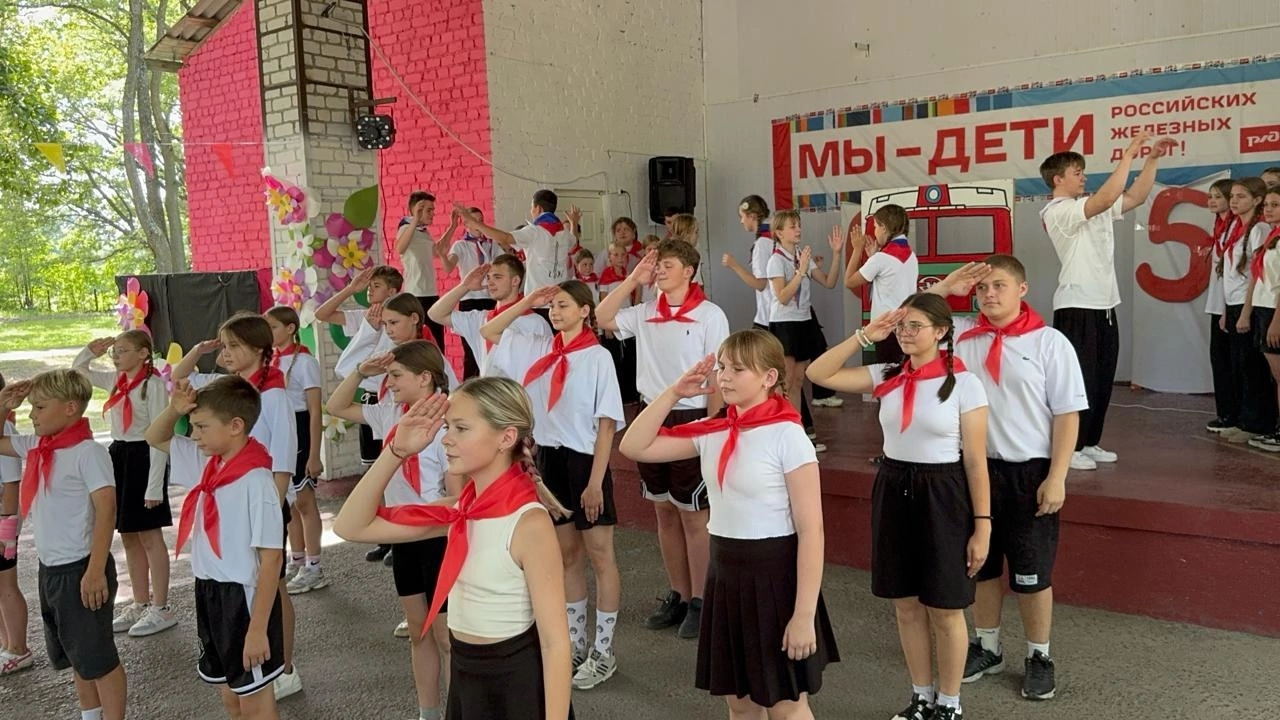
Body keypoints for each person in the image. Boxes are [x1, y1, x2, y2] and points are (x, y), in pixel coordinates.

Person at [620, 330, 839, 719]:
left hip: (775, 577)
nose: (724, 376)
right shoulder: (714, 429)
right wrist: (673, 393)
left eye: (738, 369)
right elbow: (634, 446)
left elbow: (812, 531)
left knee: (786, 703)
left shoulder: (789, 436)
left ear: (769, 377)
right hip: (725, 573)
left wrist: (804, 614)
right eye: (721, 367)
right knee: (739, 703)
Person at [332, 379, 574, 720]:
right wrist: (396, 451)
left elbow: (555, 643)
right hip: (466, 674)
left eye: (461, 428)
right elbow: (350, 526)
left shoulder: (528, 523)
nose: (445, 438)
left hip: (516, 683)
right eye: (447, 427)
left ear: (506, 438)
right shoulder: (459, 511)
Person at [807, 294, 991, 720]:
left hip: (943, 491)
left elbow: (975, 460)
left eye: (915, 326)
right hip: (893, 486)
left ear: (941, 332)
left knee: (945, 606)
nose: (905, 334)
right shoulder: (887, 374)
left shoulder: (965, 384)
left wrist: (982, 524)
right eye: (902, 326)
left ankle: (950, 703)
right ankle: (921, 696)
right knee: (906, 604)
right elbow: (819, 373)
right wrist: (865, 336)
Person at [929, 256, 1087, 701]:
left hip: (1029, 472)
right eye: (982, 288)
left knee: (1032, 572)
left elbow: (1067, 415)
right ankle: (989, 646)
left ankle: (1039, 655)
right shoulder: (963, 336)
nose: (989, 294)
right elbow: (911, 319)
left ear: (1023, 289)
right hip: (975, 470)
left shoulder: (1049, 342)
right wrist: (945, 287)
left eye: (999, 285)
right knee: (980, 565)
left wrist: (1057, 477)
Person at [482, 280, 626, 690]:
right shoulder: (540, 349)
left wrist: (595, 482)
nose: (555, 312)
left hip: (585, 461)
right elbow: (492, 330)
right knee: (567, 556)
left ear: (585, 311)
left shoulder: (597, 357)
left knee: (600, 554)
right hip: (549, 460)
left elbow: (606, 425)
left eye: (564, 305)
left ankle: (603, 650)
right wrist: (529, 300)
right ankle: (577, 643)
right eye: (552, 306)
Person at [597, 240, 730, 640]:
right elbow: (603, 317)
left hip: (692, 415)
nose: (658, 271)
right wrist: (632, 280)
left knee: (693, 514)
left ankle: (703, 600)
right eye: (657, 265)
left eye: (666, 265)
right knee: (664, 511)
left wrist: (713, 425)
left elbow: (717, 375)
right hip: (651, 413)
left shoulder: (710, 314)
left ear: (689, 271)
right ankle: (679, 594)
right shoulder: (644, 311)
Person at [172, 313, 304, 701]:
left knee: (272, 584)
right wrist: (200, 350)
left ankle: (283, 666)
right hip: (233, 501)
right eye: (224, 345)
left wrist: (270, 509)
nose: (226, 353)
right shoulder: (223, 388)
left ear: (260, 349)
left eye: (234, 346)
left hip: (264, 500)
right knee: (256, 582)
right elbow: (176, 379)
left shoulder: (274, 394)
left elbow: (283, 460)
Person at [327, 341, 461, 720]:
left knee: (446, 637)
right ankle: (427, 712)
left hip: (437, 538)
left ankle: (458, 710)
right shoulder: (390, 413)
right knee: (419, 631)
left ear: (425, 377)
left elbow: (456, 496)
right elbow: (335, 406)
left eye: (397, 375)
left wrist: (428, 521)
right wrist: (360, 372)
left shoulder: (449, 422)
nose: (390, 382)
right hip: (402, 537)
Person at [144, 376, 285, 719]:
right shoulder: (207, 462)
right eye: (192, 426)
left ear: (236, 426)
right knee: (231, 697)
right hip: (209, 590)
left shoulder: (257, 481)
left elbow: (271, 559)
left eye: (202, 427)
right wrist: (175, 409)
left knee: (254, 701)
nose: (194, 436)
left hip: (244, 598)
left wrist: (257, 629)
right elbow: (154, 436)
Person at [1037, 132, 1176, 468]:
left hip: (1104, 305)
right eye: (1077, 173)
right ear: (1058, 180)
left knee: (1102, 378)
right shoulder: (1058, 211)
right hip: (1077, 305)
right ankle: (1069, 448)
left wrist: (1151, 159)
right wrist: (1128, 154)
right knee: (1078, 381)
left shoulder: (1090, 206)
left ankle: (1089, 442)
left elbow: (1135, 197)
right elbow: (1105, 198)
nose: (1083, 177)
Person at [0, 370, 127, 720]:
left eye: (40, 407)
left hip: (82, 568)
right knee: (76, 655)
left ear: (70, 407)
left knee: (99, 659)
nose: (31, 414)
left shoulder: (88, 452)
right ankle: (90, 715)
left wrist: (95, 571)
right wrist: (3, 406)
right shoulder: (38, 445)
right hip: (51, 569)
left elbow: (107, 511)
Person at [73, 330, 177, 637]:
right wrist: (88, 352)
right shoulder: (116, 381)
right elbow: (79, 373)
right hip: (119, 455)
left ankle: (161, 606)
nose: (116, 356)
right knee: (129, 535)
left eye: (122, 351)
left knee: (149, 535)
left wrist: (154, 485)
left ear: (143, 353)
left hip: (145, 455)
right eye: (114, 352)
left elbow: (160, 434)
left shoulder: (153, 385)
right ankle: (140, 601)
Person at [764, 210, 842, 452]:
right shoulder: (776, 260)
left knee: (798, 380)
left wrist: (836, 254)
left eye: (798, 225)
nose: (798, 229)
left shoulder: (801, 255)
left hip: (804, 321)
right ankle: (783, 433)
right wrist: (800, 272)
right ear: (779, 233)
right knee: (785, 381)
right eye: (792, 226)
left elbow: (829, 282)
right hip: (785, 323)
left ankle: (798, 433)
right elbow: (783, 297)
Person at [263, 307, 327, 594]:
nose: (269, 333)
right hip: (279, 431)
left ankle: (314, 566)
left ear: (290, 328)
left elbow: (315, 411)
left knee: (304, 501)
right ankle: (297, 559)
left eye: (273, 327)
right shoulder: (270, 361)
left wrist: (314, 454)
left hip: (300, 429)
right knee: (287, 503)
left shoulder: (304, 362)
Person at [315, 264, 404, 470]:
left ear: (391, 292)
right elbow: (321, 314)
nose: (369, 290)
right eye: (369, 286)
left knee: (395, 460)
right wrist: (350, 289)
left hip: (394, 394)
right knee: (373, 465)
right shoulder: (363, 316)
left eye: (376, 286)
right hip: (371, 396)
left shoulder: (403, 320)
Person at [428, 257, 551, 379]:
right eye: (488, 278)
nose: (490, 283)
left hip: (520, 390)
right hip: (486, 390)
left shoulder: (535, 322)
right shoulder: (480, 318)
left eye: (497, 277)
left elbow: (546, 368)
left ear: (515, 281)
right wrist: (465, 286)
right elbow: (435, 314)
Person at [1222, 178, 1277, 446]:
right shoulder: (1235, 227)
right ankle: (1244, 419)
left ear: (1256, 200)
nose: (1234, 201)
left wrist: (1245, 312)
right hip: (1235, 303)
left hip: (1252, 305)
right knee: (1240, 366)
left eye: (1241, 196)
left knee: (1253, 367)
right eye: (1232, 196)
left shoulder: (1259, 229)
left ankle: (1257, 422)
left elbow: (1255, 275)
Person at [454, 190, 574, 310]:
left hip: (538, 301)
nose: (531, 211)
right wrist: (574, 222)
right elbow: (574, 241)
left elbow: (505, 238)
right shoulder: (564, 234)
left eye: (532, 207)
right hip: (560, 301)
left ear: (538, 208)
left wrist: (475, 223)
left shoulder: (534, 232)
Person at [844, 204, 919, 367]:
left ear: (884, 228)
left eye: (876, 227)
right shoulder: (911, 256)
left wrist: (857, 250)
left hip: (887, 330)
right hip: (907, 325)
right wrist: (874, 257)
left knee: (887, 377)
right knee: (904, 374)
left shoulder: (881, 259)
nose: (875, 231)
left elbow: (849, 281)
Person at [440, 206, 499, 379]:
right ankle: (469, 387)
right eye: (474, 221)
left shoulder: (492, 244)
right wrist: (443, 256)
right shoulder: (461, 245)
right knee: (471, 351)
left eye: (481, 220)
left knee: (491, 348)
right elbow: (448, 267)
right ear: (466, 224)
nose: (478, 224)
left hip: (490, 300)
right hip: (470, 300)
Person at [1242, 187, 1280, 451]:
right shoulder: (1272, 237)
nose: (1268, 209)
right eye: (1266, 204)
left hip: (1275, 312)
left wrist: (1276, 321)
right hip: (1264, 308)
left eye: (1275, 205)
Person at [1204, 178, 1240, 434]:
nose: (1212, 201)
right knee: (1220, 361)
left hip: (1231, 302)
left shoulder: (1237, 227)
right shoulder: (1219, 226)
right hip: (1218, 303)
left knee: (1232, 362)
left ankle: (1234, 415)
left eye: (1218, 196)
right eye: (1210, 196)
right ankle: (1225, 412)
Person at [0, 372, 31, 675]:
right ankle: (6, 644)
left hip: (2, 523)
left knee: (6, 585)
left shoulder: (5, 429)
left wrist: (6, 533)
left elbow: (11, 484)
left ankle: (19, 648)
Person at [396, 191, 448, 348]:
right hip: (416, 294)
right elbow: (400, 248)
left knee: (437, 341)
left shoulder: (424, 232)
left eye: (433, 210)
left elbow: (437, 251)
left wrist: (452, 226)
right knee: (421, 341)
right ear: (416, 210)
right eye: (429, 210)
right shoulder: (406, 228)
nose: (433, 214)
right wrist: (415, 219)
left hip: (431, 292)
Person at [598, 243, 639, 404]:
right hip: (612, 321)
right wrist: (606, 327)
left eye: (623, 255)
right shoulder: (606, 276)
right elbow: (603, 300)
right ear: (610, 257)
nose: (620, 258)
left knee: (630, 356)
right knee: (616, 358)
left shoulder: (628, 274)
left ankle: (631, 393)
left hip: (627, 321)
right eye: (616, 255)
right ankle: (619, 394)